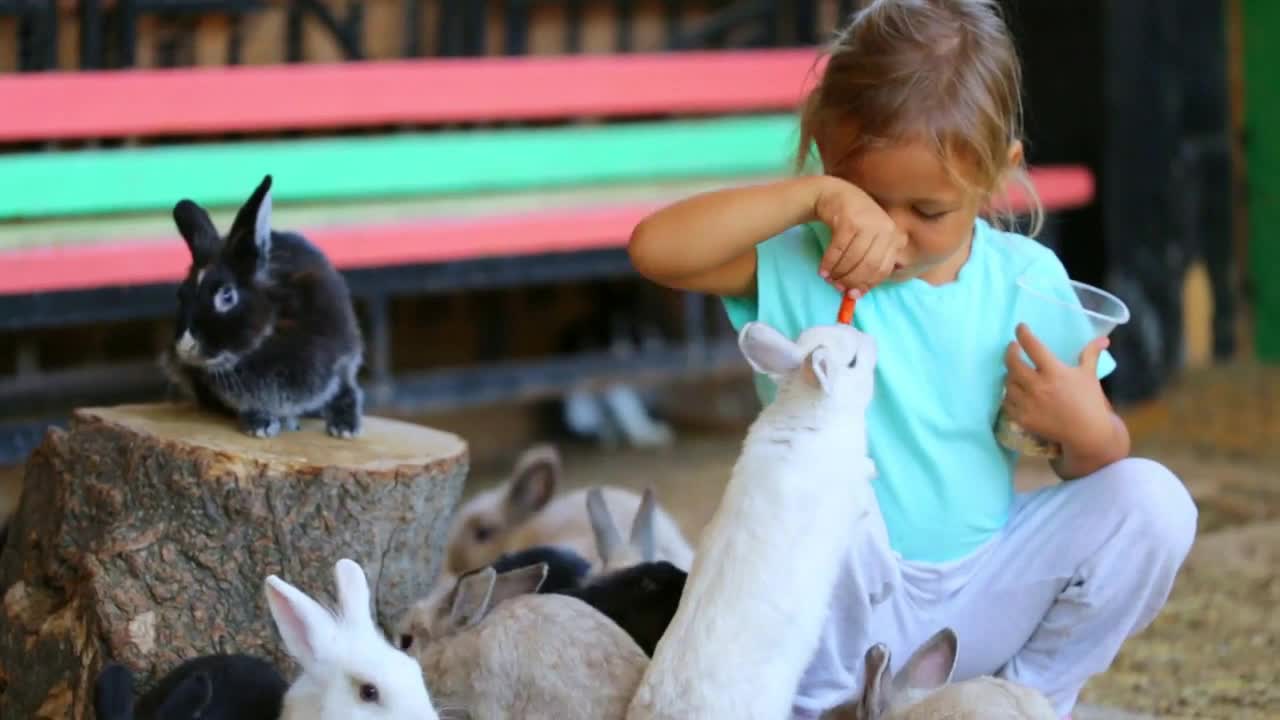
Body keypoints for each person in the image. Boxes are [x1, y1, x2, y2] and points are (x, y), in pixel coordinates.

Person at [626, 1, 1197, 717]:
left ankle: (1024, 699)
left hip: (981, 592)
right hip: (835, 610)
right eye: (865, 196)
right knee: (815, 494)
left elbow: (1093, 463)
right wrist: (814, 199)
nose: (889, 230)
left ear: (995, 177)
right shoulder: (806, 264)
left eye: (927, 212)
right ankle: (830, 707)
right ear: (826, 160)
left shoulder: (1027, 284)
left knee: (1154, 502)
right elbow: (655, 250)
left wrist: (1089, 430)